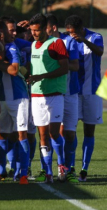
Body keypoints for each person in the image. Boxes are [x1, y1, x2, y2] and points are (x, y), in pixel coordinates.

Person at [26, 13, 69, 183]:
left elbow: (64, 68)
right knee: (42, 135)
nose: (34, 33)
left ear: (45, 28)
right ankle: (48, 172)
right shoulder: (33, 45)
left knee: (54, 133)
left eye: (37, 30)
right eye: (32, 30)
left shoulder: (57, 43)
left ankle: (62, 164)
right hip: (37, 95)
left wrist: (41, 76)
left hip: (55, 94)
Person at [65, 15, 103, 182]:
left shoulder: (95, 37)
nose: (71, 35)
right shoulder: (66, 40)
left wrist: (84, 41)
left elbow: (100, 51)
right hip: (73, 92)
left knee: (89, 131)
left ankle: (84, 169)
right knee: (70, 131)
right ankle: (70, 167)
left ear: (80, 29)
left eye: (73, 32)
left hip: (92, 91)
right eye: (68, 32)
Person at [0, 18, 30, 185]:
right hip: (2, 98)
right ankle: (0, 171)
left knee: (22, 134)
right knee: (3, 134)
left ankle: (23, 174)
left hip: (19, 97)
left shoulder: (13, 46)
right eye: (11, 30)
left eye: (15, 30)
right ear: (0, 32)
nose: (14, 33)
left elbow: (14, 70)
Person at [46, 14, 80, 183]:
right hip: (55, 93)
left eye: (45, 28)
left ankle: (70, 168)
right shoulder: (43, 43)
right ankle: (55, 169)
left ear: (52, 28)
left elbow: (75, 65)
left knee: (70, 133)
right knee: (55, 132)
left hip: (71, 92)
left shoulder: (69, 42)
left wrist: (59, 65)